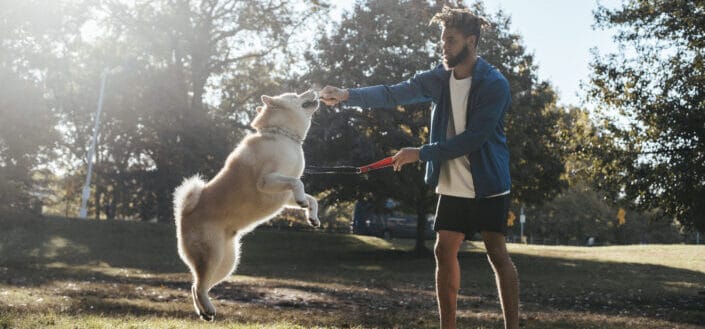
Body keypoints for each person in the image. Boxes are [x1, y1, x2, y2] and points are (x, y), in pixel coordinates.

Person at [319, 6, 519, 329]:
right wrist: (346, 95)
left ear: (471, 41)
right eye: (442, 40)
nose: (444, 47)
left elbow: (474, 139)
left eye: (451, 41)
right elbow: (392, 92)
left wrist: (420, 153)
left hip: (489, 183)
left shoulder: (495, 84)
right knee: (443, 250)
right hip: (453, 184)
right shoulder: (438, 79)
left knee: (497, 254)